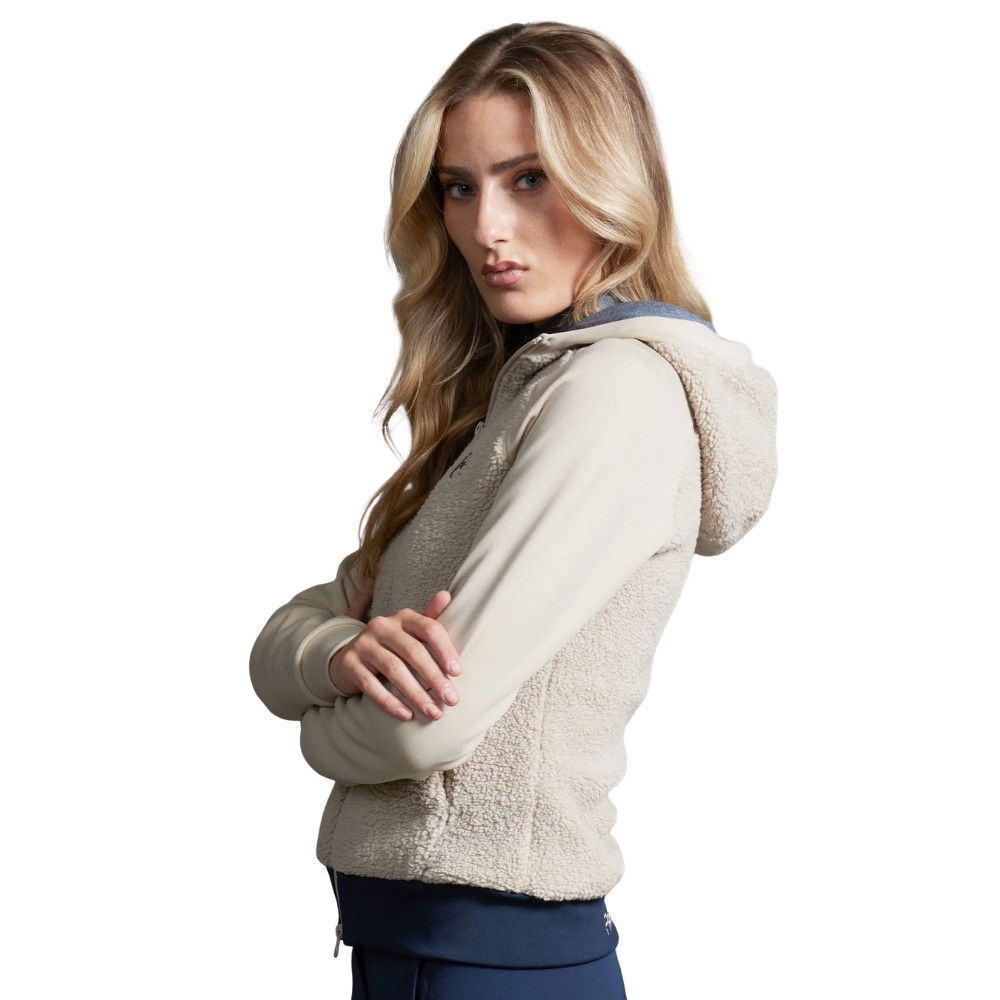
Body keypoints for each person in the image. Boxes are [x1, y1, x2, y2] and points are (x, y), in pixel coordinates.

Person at [250, 21, 777, 1000]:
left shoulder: (612, 395)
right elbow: (291, 629)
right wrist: (338, 655)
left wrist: (314, 734)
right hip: (422, 955)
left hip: (487, 961)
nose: (487, 227)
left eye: (528, 178)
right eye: (459, 187)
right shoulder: (512, 398)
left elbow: (420, 733)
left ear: (611, 179)